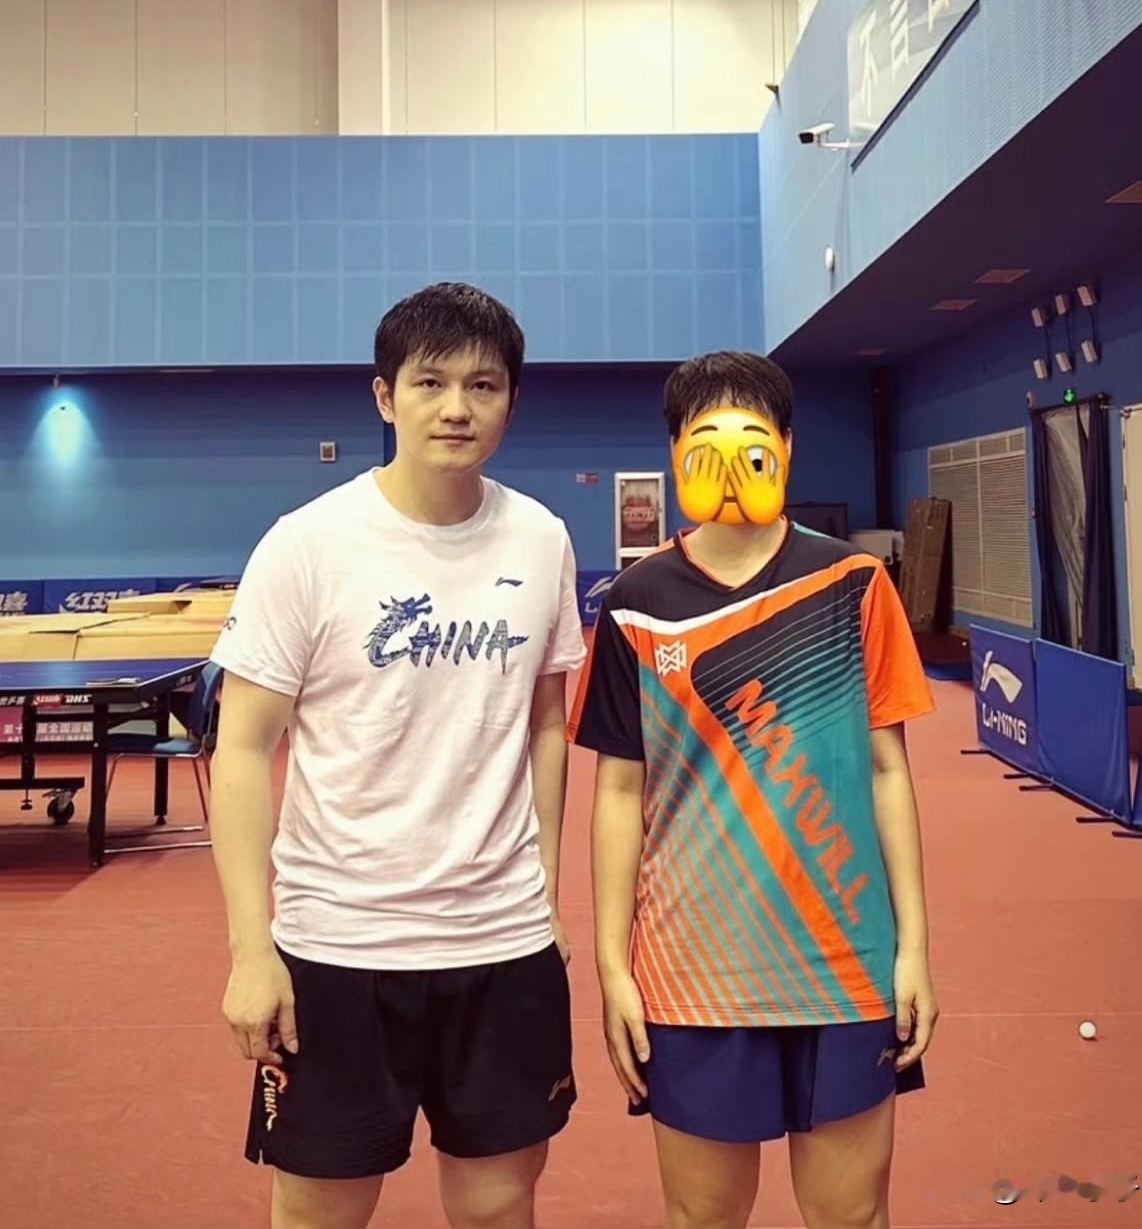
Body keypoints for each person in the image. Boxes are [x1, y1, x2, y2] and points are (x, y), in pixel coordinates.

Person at [210, 282, 587, 1229]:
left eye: (483, 385)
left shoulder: (541, 538)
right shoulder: (307, 545)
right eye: (430, 382)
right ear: (386, 396)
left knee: (499, 1202)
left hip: (501, 943)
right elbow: (242, 748)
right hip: (338, 947)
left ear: (511, 401)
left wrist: (545, 892)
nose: (457, 407)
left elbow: (546, 723)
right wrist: (252, 948)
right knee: (321, 1209)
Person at [568, 350, 939, 1229]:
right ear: (676, 453)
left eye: (754, 440)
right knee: (703, 1216)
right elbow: (617, 793)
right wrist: (615, 966)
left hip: (845, 965)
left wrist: (914, 947)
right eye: (706, 443)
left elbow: (888, 769)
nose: (732, 465)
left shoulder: (852, 583)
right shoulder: (635, 602)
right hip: (692, 974)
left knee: (851, 1214)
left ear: (786, 447)